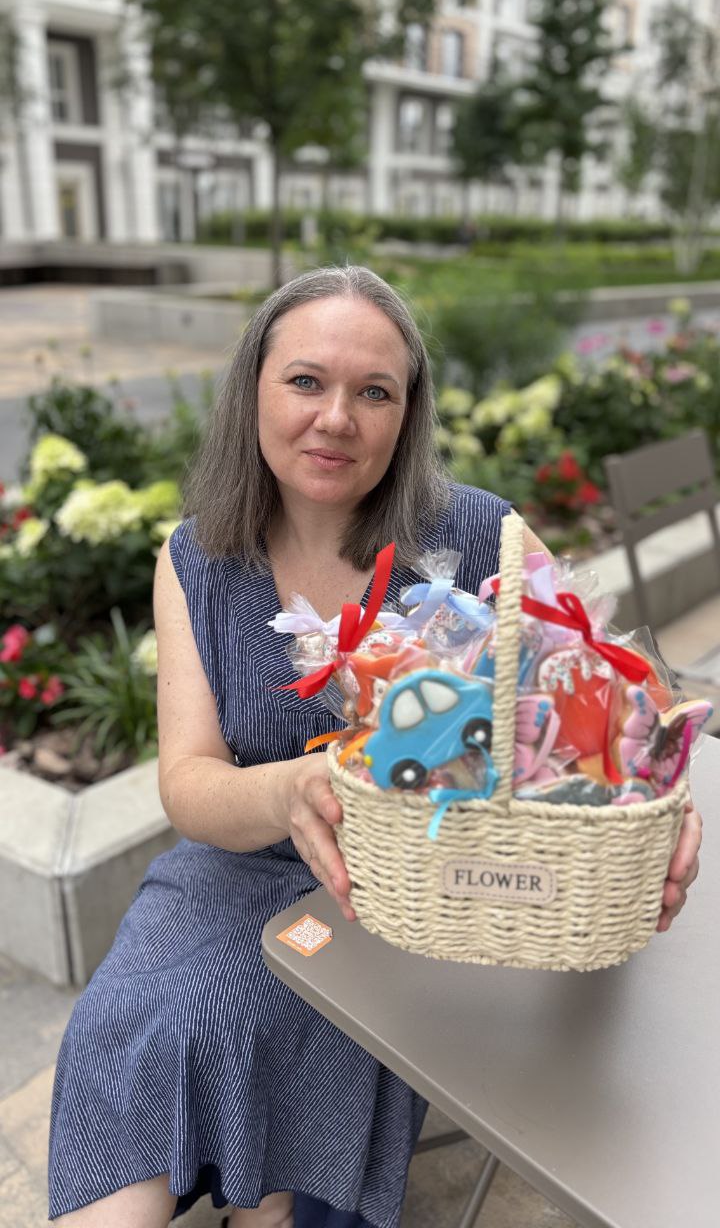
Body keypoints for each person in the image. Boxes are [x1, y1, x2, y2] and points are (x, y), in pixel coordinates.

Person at [48, 266, 702, 1228]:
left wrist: (657, 803)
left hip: (422, 883)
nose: (337, 418)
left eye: (375, 392)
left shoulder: (479, 535)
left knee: (271, 1018)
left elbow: (614, 704)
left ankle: (272, 1196)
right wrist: (293, 791)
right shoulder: (196, 558)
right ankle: (259, 1192)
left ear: (407, 414)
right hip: (242, 861)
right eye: (305, 381)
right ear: (253, 389)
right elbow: (188, 782)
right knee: (126, 1029)